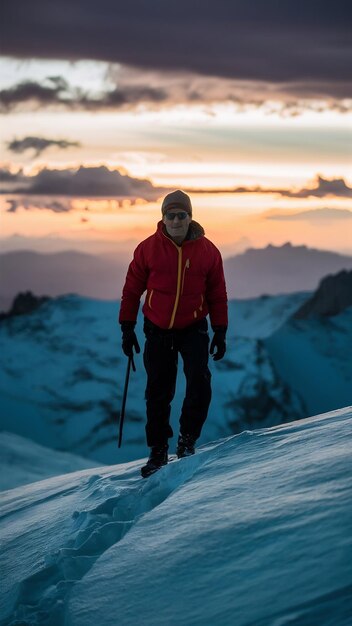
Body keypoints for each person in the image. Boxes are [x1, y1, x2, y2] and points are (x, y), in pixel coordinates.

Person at [119, 190, 228, 477]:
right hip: (157, 329)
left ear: (190, 216)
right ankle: (158, 451)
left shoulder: (207, 251)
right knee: (158, 391)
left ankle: (187, 440)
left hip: (193, 327)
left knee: (199, 382)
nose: (176, 220)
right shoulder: (148, 249)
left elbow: (217, 293)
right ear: (163, 217)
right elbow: (132, 290)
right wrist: (127, 327)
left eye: (182, 214)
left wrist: (220, 329)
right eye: (171, 215)